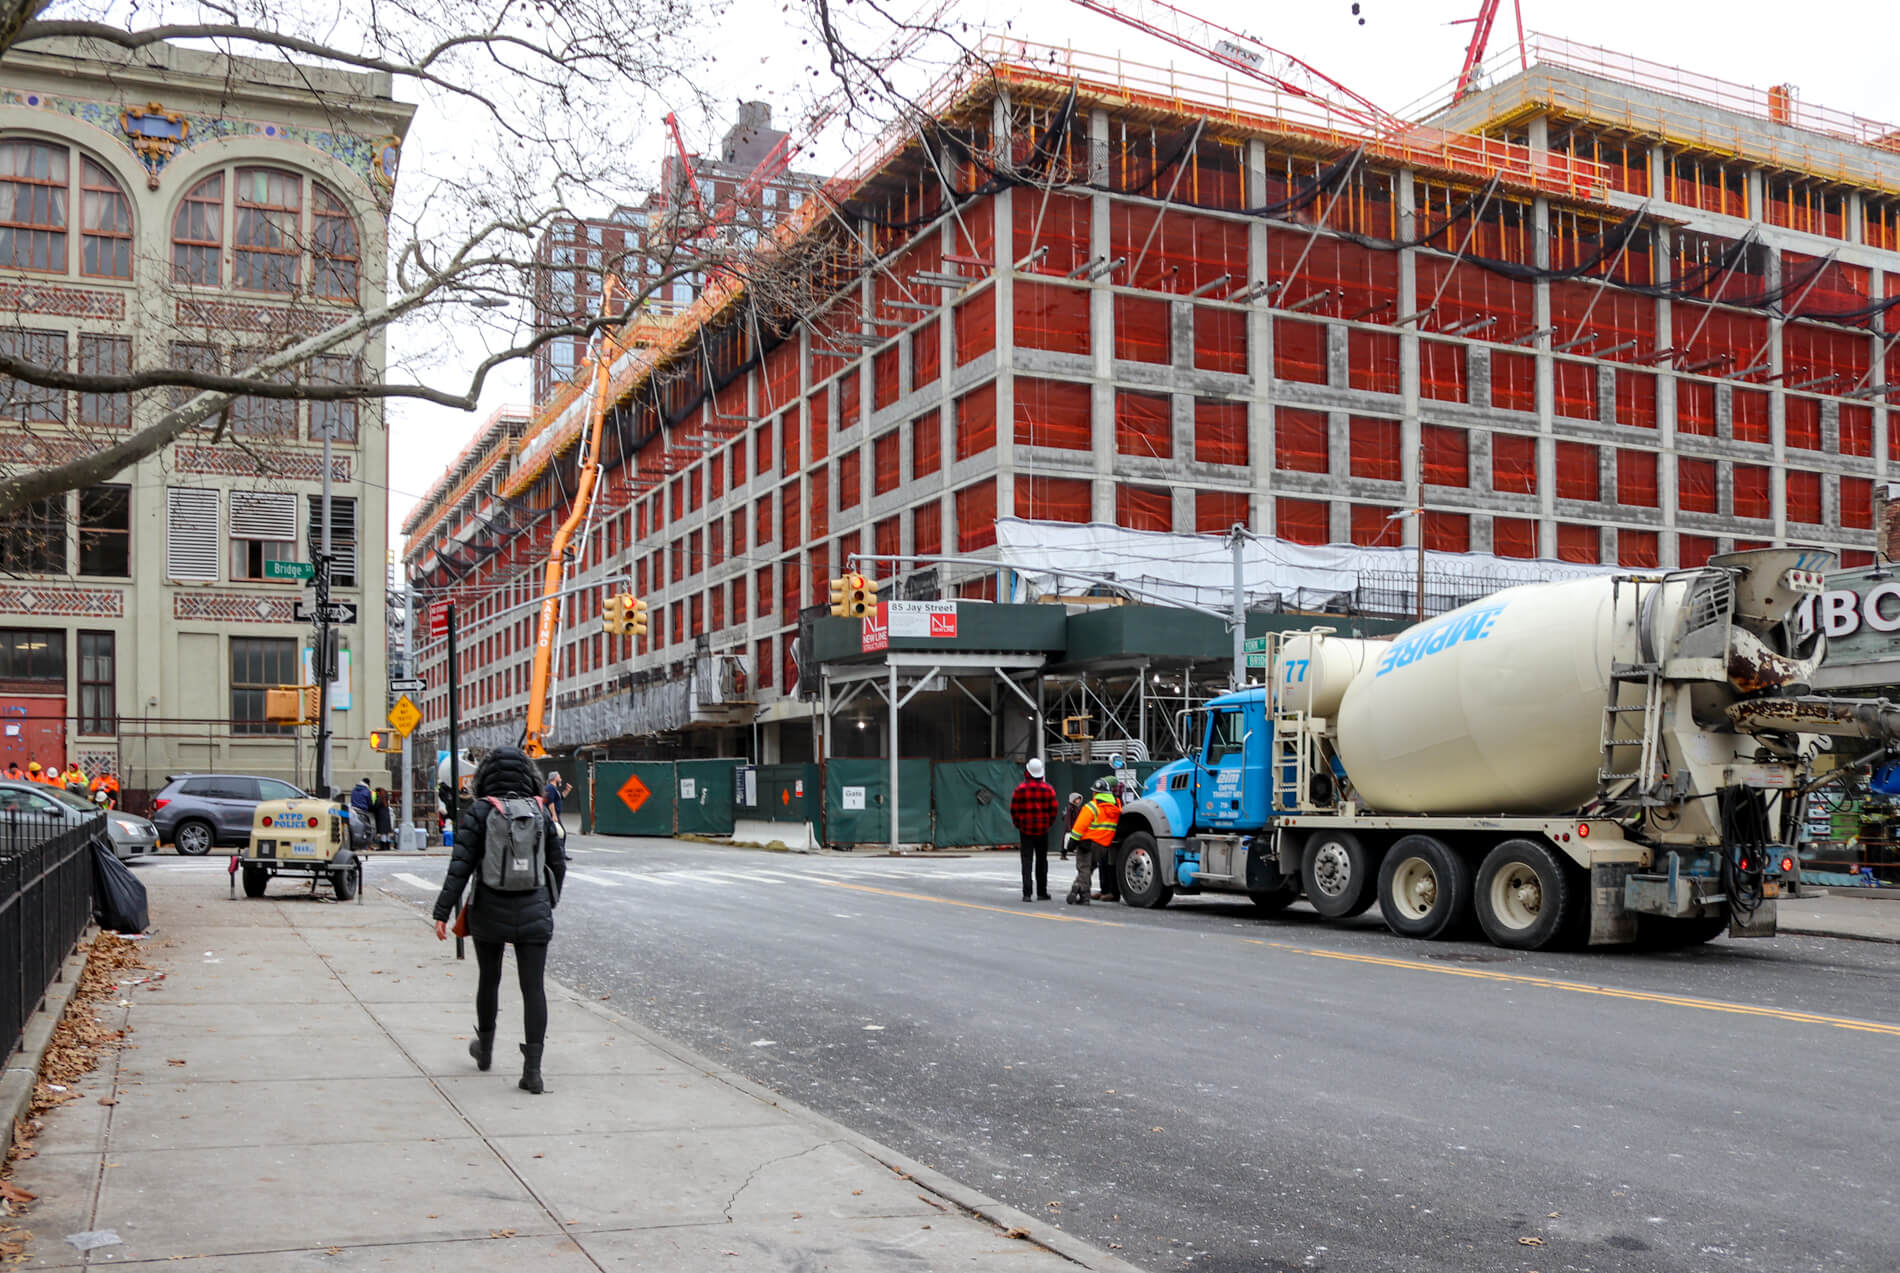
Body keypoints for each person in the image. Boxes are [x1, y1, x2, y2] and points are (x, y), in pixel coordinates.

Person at [430, 747, 566, 1095]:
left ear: (485, 777)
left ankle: (485, 1049)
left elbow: (459, 867)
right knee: (532, 987)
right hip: (534, 908)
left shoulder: (479, 811)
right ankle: (532, 1070)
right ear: (528, 776)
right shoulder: (540, 812)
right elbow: (558, 863)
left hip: (489, 908)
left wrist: (442, 912)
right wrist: (548, 900)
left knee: (489, 979)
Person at [1007, 757, 1059, 902]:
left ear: (1027, 772)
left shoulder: (1020, 789)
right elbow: (1053, 809)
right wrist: (1047, 823)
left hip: (1026, 830)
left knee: (1026, 861)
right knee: (1042, 861)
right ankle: (1042, 892)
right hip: (1042, 829)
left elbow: (1014, 810)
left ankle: (1027, 893)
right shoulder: (1048, 789)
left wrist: (1019, 824)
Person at [1066, 778, 1122, 906]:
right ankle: (1077, 886)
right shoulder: (1115, 808)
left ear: (1096, 793)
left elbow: (1080, 825)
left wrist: (1072, 842)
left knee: (1083, 868)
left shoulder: (1092, 807)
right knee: (1088, 868)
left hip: (1087, 843)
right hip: (1103, 846)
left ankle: (1084, 895)